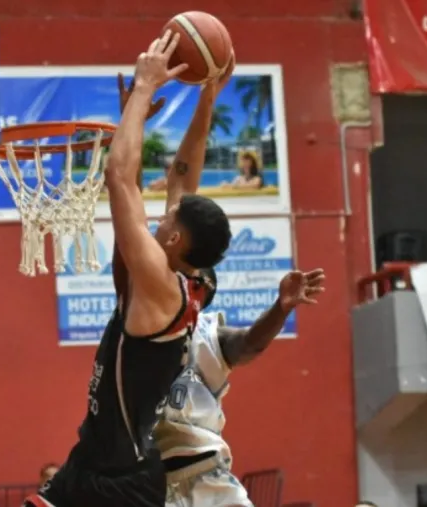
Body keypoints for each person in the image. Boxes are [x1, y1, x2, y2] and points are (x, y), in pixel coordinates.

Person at [25, 31, 232, 507]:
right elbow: (183, 174)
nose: (162, 215)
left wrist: (143, 88)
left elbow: (119, 179)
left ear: (175, 240)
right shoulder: (192, 277)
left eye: (169, 218)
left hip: (121, 482)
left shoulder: (160, 286)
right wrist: (207, 97)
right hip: (94, 462)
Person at [156, 267, 325, 507]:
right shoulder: (137, 329)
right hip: (150, 481)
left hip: (205, 471)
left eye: (190, 281)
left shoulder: (207, 333)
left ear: (200, 295)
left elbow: (249, 343)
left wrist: (280, 309)